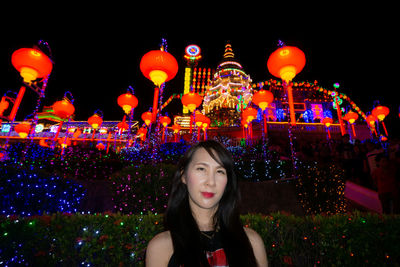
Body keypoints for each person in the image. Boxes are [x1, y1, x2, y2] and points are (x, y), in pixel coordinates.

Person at [146, 140, 268, 267]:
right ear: (183, 176)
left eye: (220, 171)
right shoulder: (162, 247)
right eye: (201, 169)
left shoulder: (252, 242)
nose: (211, 182)